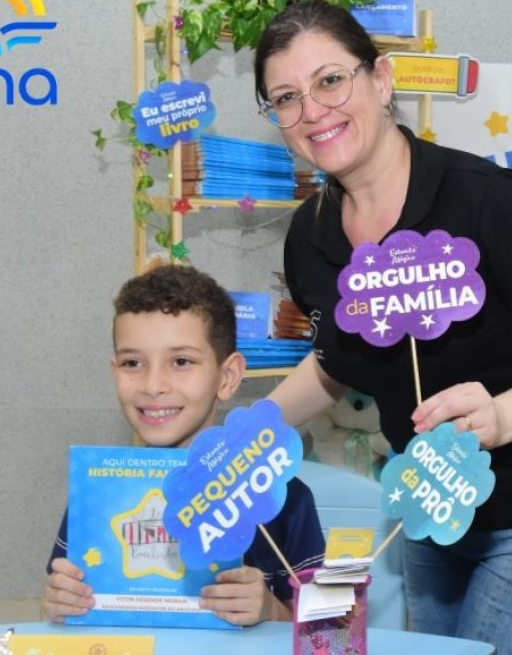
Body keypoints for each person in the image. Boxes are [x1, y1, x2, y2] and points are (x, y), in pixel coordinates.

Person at [253, 0, 512, 654]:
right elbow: (337, 361)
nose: (312, 109)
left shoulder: (486, 201)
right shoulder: (309, 238)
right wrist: (245, 434)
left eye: (330, 80)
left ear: (382, 79)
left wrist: (502, 416)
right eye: (285, 97)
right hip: (433, 509)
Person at [42, 265, 324, 626]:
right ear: (114, 372)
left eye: (181, 361)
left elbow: (331, 635)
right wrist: (58, 604)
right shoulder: (97, 492)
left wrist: (270, 610)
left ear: (227, 377)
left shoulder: (282, 495)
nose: (153, 384)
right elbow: (60, 611)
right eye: (132, 363)